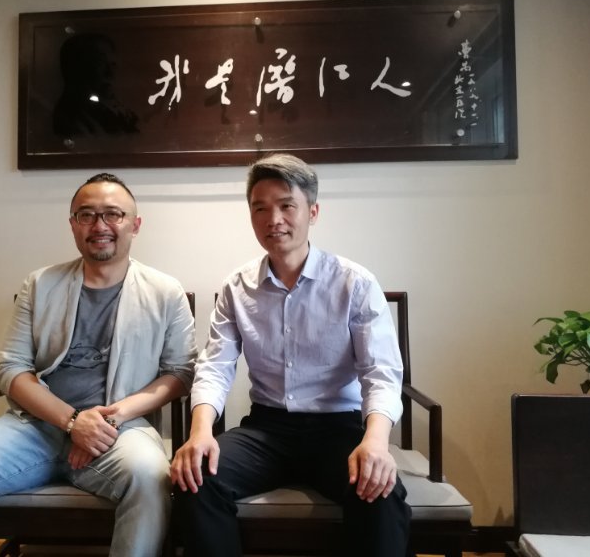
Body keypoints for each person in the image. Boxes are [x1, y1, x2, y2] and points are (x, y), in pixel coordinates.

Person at [0, 173, 197, 557]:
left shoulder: (165, 292)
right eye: (87, 215)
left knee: (150, 477)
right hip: (34, 427)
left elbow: (180, 374)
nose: (99, 225)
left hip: (120, 431)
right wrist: (71, 422)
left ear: (135, 224)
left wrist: (109, 419)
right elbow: (11, 369)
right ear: (73, 224)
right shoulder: (41, 284)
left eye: (113, 214)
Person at [171, 153, 412, 556]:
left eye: (287, 206)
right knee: (196, 478)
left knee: (380, 492)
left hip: (338, 429)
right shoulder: (236, 287)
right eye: (260, 208)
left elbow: (381, 373)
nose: (274, 219)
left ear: (312, 212)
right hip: (267, 430)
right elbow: (214, 366)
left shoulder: (354, 282)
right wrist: (200, 433)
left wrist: (375, 441)